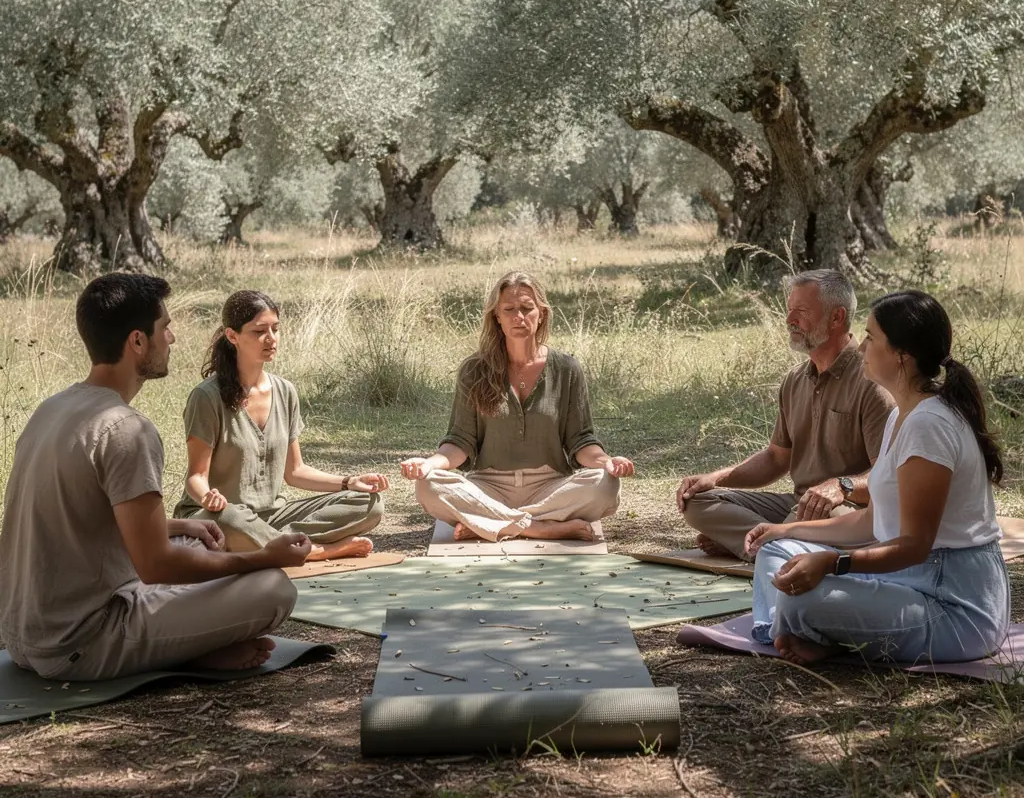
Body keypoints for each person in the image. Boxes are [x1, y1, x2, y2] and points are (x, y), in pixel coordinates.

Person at [0, 274, 310, 681]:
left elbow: (80, 520)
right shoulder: (127, 429)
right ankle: (183, 650)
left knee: (195, 535)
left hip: (25, 632)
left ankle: (185, 645)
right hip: (81, 641)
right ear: (137, 342)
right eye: (165, 327)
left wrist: (181, 524)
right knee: (273, 589)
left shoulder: (53, 408)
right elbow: (156, 566)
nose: (173, 338)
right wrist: (263, 558)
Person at [744, 290, 1010, 666]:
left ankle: (795, 625)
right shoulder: (900, 417)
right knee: (778, 553)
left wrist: (833, 564)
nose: (862, 346)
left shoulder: (928, 425)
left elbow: (915, 546)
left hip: (952, 607)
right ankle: (803, 629)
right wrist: (784, 531)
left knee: (799, 594)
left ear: (902, 355)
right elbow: (871, 521)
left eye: (870, 337)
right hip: (906, 582)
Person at [676, 269, 894, 559]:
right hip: (796, 506)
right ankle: (773, 544)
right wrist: (716, 478)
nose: (789, 320)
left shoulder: (871, 382)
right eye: (789, 310)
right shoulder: (794, 379)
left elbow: (889, 476)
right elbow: (776, 459)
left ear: (837, 318)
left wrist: (842, 487)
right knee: (697, 502)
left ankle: (762, 543)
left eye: (801, 311)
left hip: (844, 509)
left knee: (815, 518)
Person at [401, 270, 633, 542]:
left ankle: (490, 523)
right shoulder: (474, 369)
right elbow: (459, 442)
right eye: (509, 309)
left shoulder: (567, 369)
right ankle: (538, 527)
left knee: (606, 486)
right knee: (428, 485)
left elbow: (581, 441)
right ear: (497, 317)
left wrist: (607, 463)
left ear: (542, 313)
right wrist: (428, 464)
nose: (518, 317)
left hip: (551, 487)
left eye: (527, 308)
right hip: (487, 487)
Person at [175, 290, 387, 561]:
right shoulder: (206, 397)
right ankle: (316, 551)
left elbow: (295, 471)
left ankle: (268, 543)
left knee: (370, 504)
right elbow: (195, 477)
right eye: (259, 331)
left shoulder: (285, 391)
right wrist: (208, 498)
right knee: (231, 518)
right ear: (232, 336)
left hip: (272, 516)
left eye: (275, 329)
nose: (271, 338)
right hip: (219, 516)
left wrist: (349, 482)